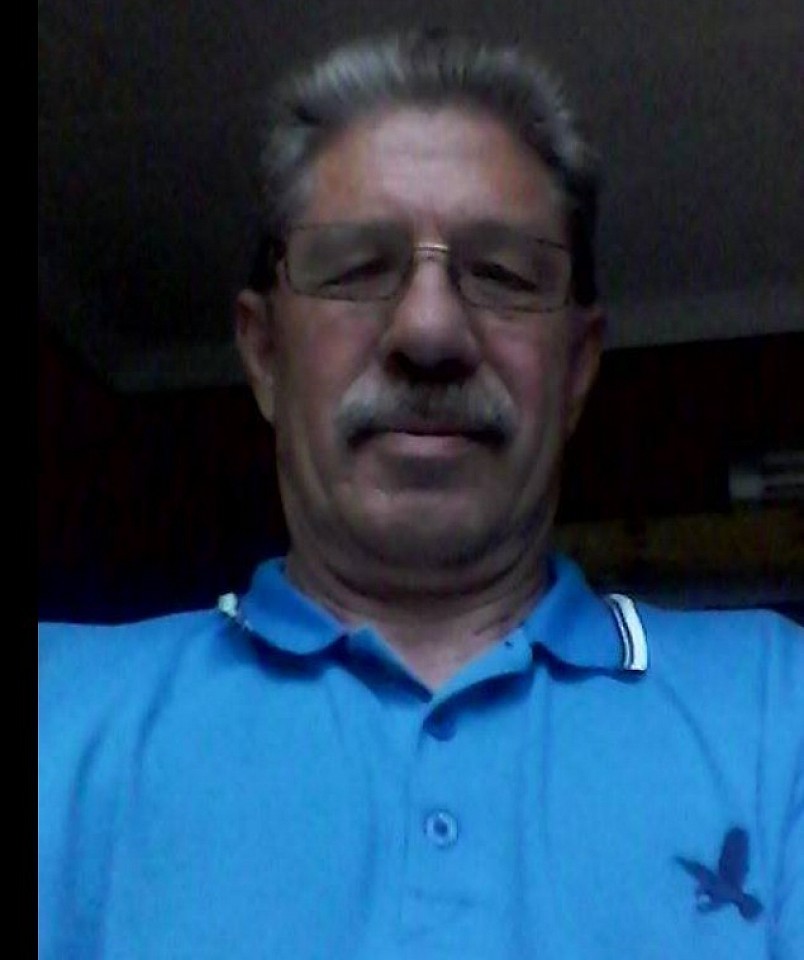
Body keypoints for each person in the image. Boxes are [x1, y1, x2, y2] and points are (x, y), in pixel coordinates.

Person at [38, 30, 802, 960]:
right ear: (265, 353)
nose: (431, 331)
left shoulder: (781, 711)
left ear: (576, 369)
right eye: (358, 270)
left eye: (503, 275)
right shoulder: (55, 708)